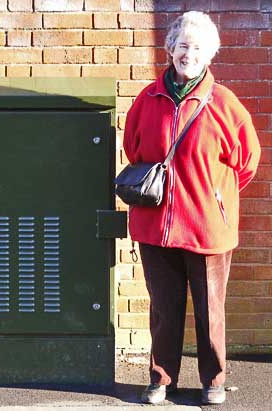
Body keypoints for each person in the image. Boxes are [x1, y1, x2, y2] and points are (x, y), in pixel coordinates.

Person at [123, 11, 261, 405]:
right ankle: (161, 379)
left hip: (207, 230)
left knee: (209, 312)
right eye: (182, 45)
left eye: (198, 48)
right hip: (155, 227)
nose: (189, 54)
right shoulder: (148, 99)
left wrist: (214, 197)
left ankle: (213, 381)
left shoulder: (224, 103)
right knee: (164, 312)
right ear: (170, 49)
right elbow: (133, 149)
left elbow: (247, 161)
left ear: (210, 54)